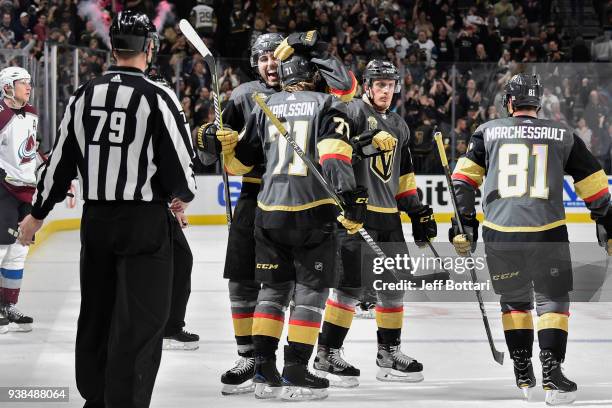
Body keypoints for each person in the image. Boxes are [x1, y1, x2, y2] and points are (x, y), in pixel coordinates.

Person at [17, 11, 196, 408]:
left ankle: (94, 397)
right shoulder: (157, 96)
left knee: (97, 313)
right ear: (149, 48)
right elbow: (182, 177)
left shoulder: (83, 95)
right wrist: (181, 193)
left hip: (96, 221)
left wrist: (38, 213)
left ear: (112, 47)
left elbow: (59, 163)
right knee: (142, 322)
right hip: (144, 223)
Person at [195, 30, 356, 395]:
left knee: (282, 286)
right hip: (258, 199)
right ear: (255, 63)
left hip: (285, 202)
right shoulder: (243, 96)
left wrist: (312, 46)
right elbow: (219, 152)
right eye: (263, 58)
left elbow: (345, 87)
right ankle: (250, 357)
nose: (271, 64)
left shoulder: (312, 85)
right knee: (243, 280)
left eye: (277, 57)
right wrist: (207, 140)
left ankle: (272, 363)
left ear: (288, 60)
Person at [449, 73, 611, 405]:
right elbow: (594, 182)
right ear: (537, 103)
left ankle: (522, 369)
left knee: (514, 301)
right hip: (546, 232)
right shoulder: (561, 133)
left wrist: (463, 224)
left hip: (500, 233)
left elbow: (462, 181)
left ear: (510, 102)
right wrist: (605, 219)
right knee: (553, 300)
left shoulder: (488, 131)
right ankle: (552, 373)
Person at [314, 60, 437, 387]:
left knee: (393, 288)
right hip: (358, 214)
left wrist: (416, 210)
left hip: (388, 218)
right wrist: (347, 196)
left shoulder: (399, 124)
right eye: (379, 84)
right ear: (367, 86)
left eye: (390, 84)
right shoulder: (351, 111)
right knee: (349, 288)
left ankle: (389, 353)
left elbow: (404, 175)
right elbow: (337, 154)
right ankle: (327, 353)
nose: (385, 90)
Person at [148, 73, 200, 351]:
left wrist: (174, 202)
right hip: (148, 207)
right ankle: (167, 327)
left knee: (179, 260)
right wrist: (181, 194)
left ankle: (164, 326)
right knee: (176, 261)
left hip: (151, 204)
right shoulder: (161, 112)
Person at [0, 66, 38, 333]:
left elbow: (32, 147)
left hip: (26, 190)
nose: (28, 87)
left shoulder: (32, 114)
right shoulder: (1, 116)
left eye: (28, 83)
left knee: (19, 250)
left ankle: (8, 305)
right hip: (3, 189)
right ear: (7, 88)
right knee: (1, 249)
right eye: (22, 83)